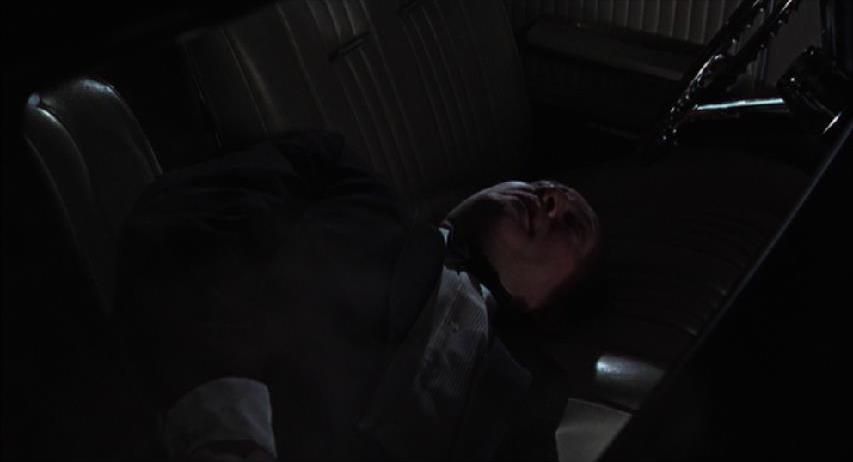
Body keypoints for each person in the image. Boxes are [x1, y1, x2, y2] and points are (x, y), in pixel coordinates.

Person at [115, 131, 600, 462]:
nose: (552, 201)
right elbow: (190, 220)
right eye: (542, 186)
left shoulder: (531, 394)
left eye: (572, 226)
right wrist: (227, 430)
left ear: (547, 304)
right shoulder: (345, 181)